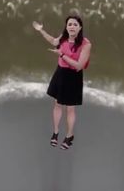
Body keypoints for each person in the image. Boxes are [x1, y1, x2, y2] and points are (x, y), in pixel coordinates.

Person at [32, 15, 92, 150]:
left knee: (70, 108)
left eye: (75, 24)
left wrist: (62, 55)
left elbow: (79, 66)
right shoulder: (64, 37)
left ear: (80, 27)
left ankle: (69, 135)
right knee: (57, 104)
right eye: (69, 24)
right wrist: (41, 30)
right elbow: (53, 41)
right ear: (66, 26)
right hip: (60, 73)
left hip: (73, 77)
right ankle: (56, 132)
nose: (72, 26)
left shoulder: (86, 44)